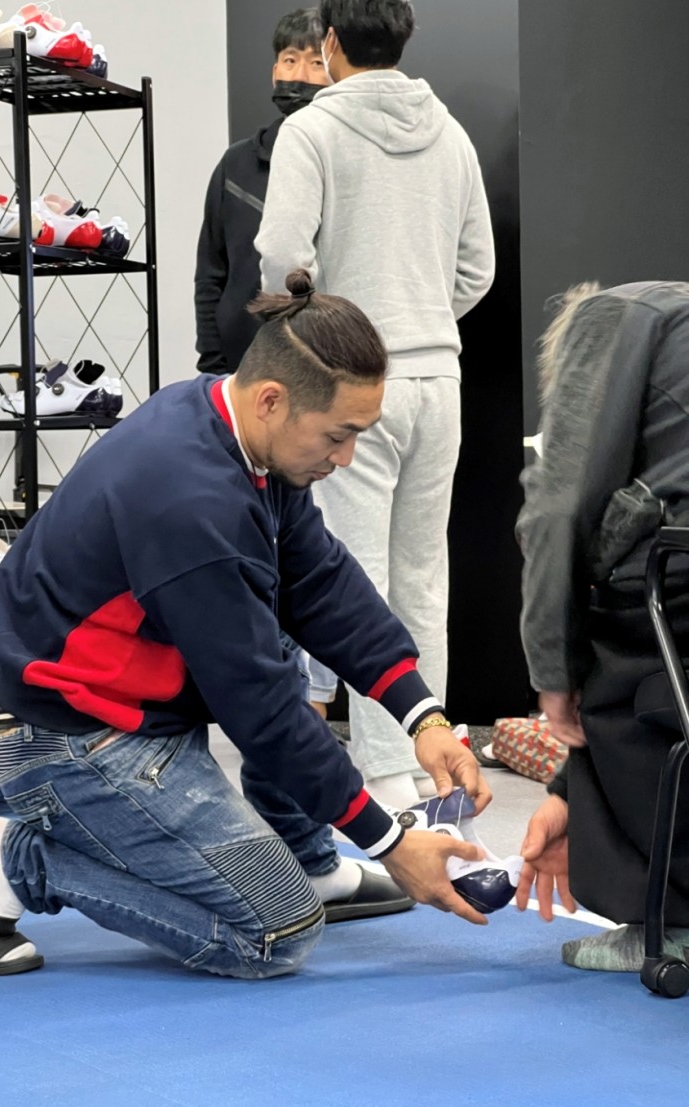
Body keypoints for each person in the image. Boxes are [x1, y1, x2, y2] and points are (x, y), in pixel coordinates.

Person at [0, 272, 492, 980]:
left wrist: (424, 717)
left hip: (127, 707)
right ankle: (18, 860)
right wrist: (389, 841)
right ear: (272, 399)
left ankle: (307, 858)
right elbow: (259, 707)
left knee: (271, 612)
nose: (346, 458)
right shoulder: (189, 500)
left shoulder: (231, 423)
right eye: (339, 435)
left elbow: (321, 582)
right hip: (67, 740)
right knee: (277, 932)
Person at [255, 0, 495, 809]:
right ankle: (430, 761)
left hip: (351, 383)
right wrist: (419, 321)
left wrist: (346, 333)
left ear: (328, 43)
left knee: (354, 576)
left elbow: (281, 255)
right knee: (423, 576)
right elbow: (477, 267)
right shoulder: (450, 134)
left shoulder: (312, 131)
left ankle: (387, 773)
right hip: (436, 377)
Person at [514, 281, 689, 971]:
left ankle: (669, 920)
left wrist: (553, 677)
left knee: (620, 669)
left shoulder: (606, 319)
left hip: (674, 582)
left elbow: (558, 508)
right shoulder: (672, 318)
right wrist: (569, 795)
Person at [194, 8, 328, 375]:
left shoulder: (347, 163)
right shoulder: (236, 164)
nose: (300, 75)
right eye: (290, 60)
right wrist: (213, 366)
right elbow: (211, 273)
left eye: (316, 62)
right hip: (242, 366)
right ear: (274, 71)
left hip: (323, 365)